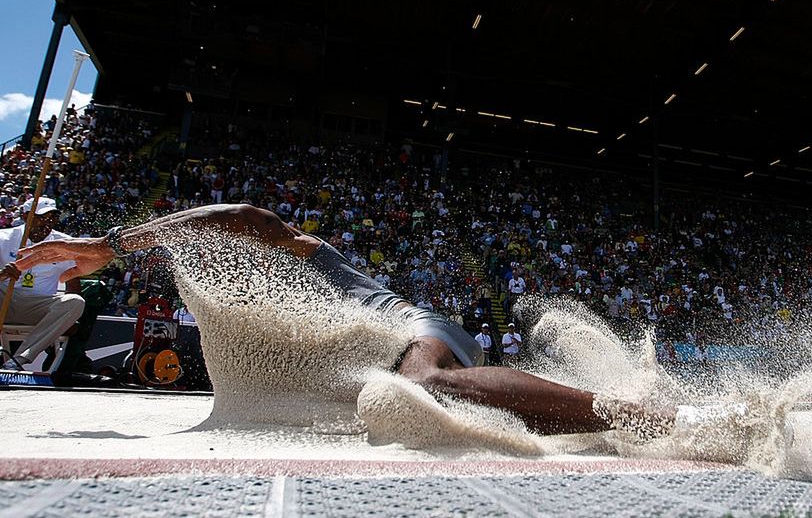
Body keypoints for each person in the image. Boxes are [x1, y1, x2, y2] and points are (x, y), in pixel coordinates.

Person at [15, 204, 673, 436]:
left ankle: (630, 410)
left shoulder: (314, 261)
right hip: (427, 347)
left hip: (421, 330)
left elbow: (248, 216)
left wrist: (110, 245)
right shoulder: (271, 326)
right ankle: (592, 406)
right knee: (432, 403)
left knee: (418, 389)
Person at [1, 197, 85, 371]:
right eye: (41, 217)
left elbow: (73, 287)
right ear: (25, 217)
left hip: (39, 306)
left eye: (52, 218)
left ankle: (18, 361)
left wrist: (70, 319)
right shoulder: (3, 238)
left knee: (76, 301)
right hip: (5, 302)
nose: (47, 223)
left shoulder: (66, 244)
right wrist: (2, 275)